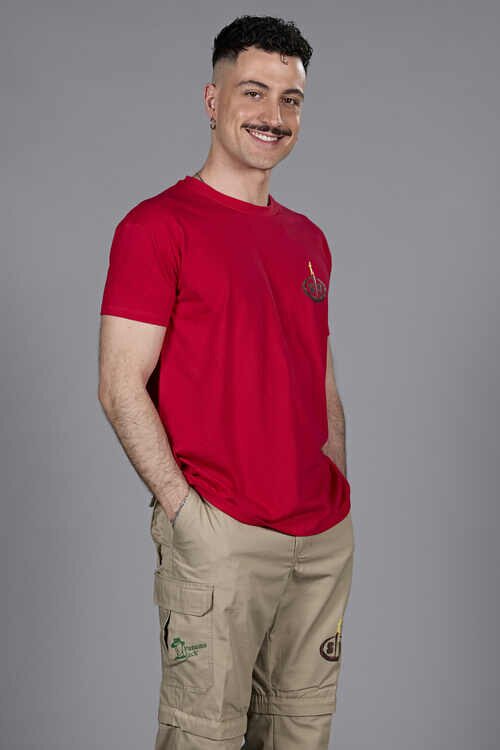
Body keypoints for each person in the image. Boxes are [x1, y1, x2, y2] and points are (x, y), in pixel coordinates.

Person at [98, 14, 355, 750]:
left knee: (302, 736)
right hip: (221, 536)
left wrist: (336, 487)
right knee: (204, 739)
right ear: (212, 100)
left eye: (290, 99)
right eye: (253, 92)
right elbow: (120, 385)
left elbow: (320, 381)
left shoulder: (308, 239)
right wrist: (186, 515)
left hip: (319, 540)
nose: (273, 115)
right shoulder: (156, 227)